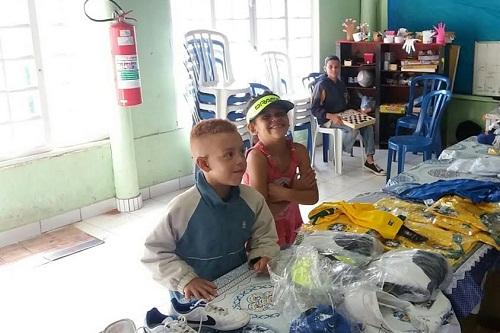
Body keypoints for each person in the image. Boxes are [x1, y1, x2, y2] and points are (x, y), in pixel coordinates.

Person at [142, 119, 279, 301]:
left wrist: (262, 254)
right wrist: (186, 280)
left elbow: (265, 235)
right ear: (204, 164)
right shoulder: (182, 209)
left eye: (241, 151)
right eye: (229, 155)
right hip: (195, 297)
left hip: (237, 285)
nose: (240, 160)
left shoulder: (252, 199)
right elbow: (154, 252)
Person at [243, 92, 319, 248]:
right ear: (252, 128)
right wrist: (296, 190)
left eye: (280, 114)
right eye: (266, 117)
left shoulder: (299, 151)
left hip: (293, 225)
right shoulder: (256, 157)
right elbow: (263, 214)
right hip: (265, 235)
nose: (275, 119)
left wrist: (284, 193)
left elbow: (313, 197)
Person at [311, 55, 385, 175]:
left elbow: (347, 103)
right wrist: (331, 116)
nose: (334, 70)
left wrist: (358, 110)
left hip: (343, 115)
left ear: (340, 68)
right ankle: (337, 153)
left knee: (367, 126)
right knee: (352, 129)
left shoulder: (340, 84)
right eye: (331, 67)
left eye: (336, 67)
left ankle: (370, 161)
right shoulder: (322, 85)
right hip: (328, 119)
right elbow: (314, 109)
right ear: (325, 68)